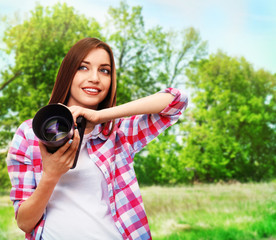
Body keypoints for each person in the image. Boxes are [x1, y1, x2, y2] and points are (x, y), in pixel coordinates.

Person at [6, 37, 188, 240]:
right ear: (68, 73)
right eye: (83, 68)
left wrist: (102, 116)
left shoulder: (119, 133)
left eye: (104, 70)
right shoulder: (30, 134)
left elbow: (177, 101)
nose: (95, 78)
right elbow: (24, 222)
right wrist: (51, 175)